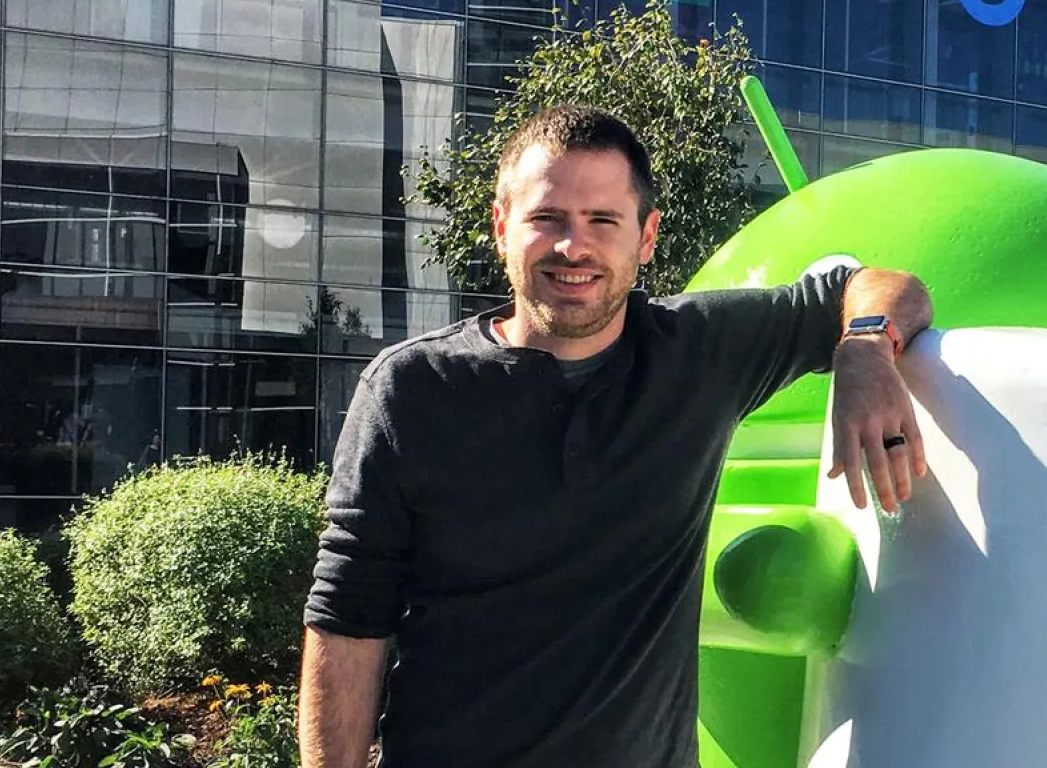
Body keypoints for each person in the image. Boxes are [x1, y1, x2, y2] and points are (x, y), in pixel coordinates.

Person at [299, 105, 932, 768]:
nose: (575, 247)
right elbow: (348, 614)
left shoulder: (699, 355)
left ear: (646, 236)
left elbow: (886, 287)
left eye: (603, 221)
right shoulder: (412, 390)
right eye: (548, 219)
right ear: (501, 226)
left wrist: (864, 349)